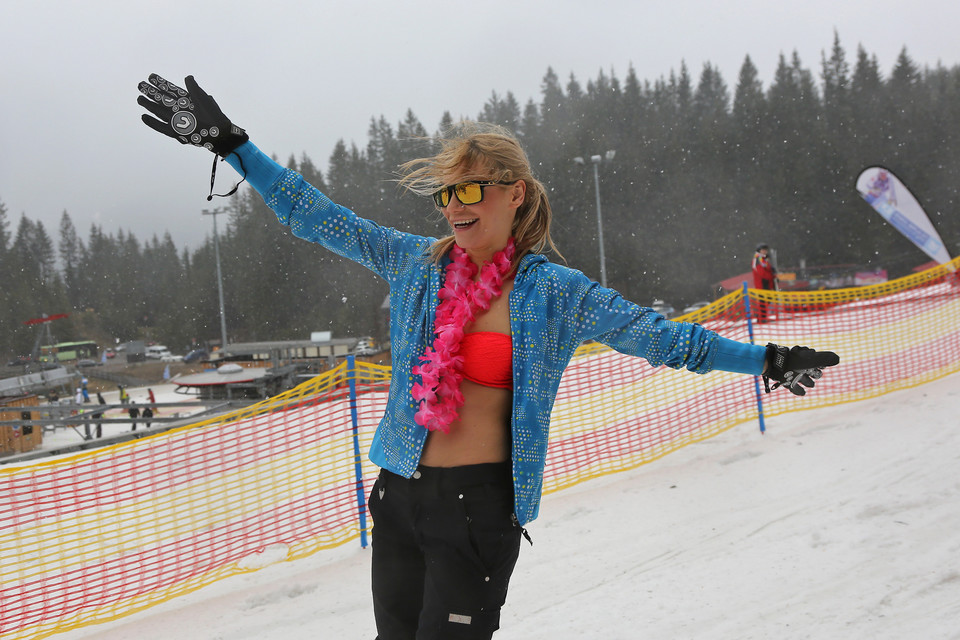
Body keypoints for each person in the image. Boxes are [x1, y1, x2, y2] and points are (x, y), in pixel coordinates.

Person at [138, 74, 840, 639]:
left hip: (479, 511)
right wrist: (231, 145)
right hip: (400, 495)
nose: (455, 206)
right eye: (448, 192)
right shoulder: (417, 265)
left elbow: (667, 341)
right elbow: (314, 215)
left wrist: (768, 359)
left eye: (471, 189)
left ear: (515, 194)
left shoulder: (555, 294)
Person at [752, 243, 777, 323]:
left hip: (767, 283)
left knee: (767, 300)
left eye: (766, 250)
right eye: (763, 250)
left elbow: (768, 270)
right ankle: (761, 318)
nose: (765, 251)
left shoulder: (764, 259)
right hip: (761, 284)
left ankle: (762, 317)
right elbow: (762, 273)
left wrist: (773, 273)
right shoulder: (757, 260)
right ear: (759, 251)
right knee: (763, 301)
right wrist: (772, 276)